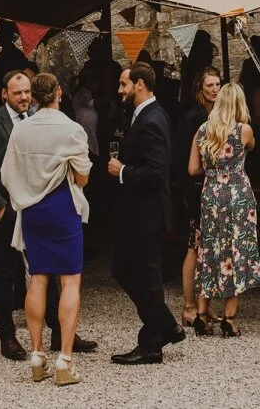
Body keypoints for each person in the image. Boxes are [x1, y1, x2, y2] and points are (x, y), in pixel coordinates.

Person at [0, 69, 76, 360]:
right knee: (6, 274)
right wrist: (0, 207)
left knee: (47, 268)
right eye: (17, 92)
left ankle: (59, 331)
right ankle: (7, 336)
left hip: (36, 208)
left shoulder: (36, 120)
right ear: (4, 93)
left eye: (27, 92)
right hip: (5, 209)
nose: (24, 97)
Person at [2, 72, 91, 386]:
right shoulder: (72, 129)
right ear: (59, 93)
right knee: (69, 281)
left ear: (35, 97)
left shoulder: (21, 130)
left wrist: (26, 193)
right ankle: (64, 358)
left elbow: (7, 174)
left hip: (32, 209)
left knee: (37, 278)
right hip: (62, 206)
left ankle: (37, 354)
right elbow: (82, 179)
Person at [106, 63, 186, 365]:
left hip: (147, 215)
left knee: (146, 276)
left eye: (123, 84)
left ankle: (153, 343)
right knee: (124, 270)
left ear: (140, 84)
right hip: (137, 214)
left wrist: (122, 170)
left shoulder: (152, 119)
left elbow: (156, 172)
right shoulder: (143, 115)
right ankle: (165, 325)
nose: (119, 90)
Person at [190, 81, 260, 334]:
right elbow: (251, 148)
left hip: (210, 193)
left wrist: (212, 170)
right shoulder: (244, 130)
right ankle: (229, 319)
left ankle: (201, 314)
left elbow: (192, 169)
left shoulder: (202, 130)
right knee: (236, 250)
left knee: (209, 248)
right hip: (237, 195)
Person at [177, 66, 222, 333]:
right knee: (194, 244)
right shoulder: (193, 118)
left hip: (212, 186)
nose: (215, 89)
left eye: (218, 84)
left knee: (209, 246)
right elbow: (187, 159)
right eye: (210, 86)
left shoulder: (217, 115)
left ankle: (206, 301)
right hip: (196, 187)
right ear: (199, 89)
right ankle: (189, 305)